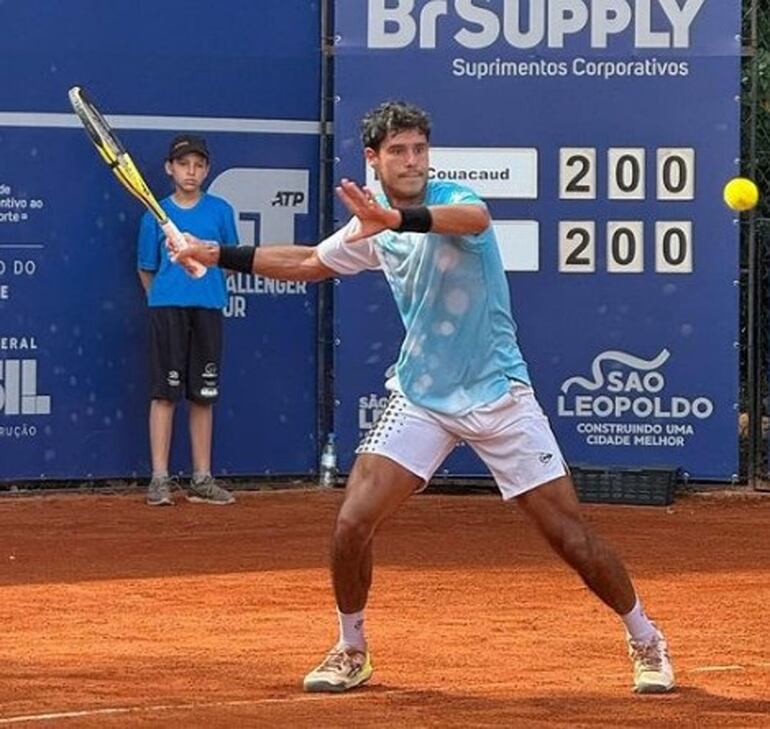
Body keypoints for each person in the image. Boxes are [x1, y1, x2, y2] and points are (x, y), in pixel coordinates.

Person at [171, 102, 675, 694]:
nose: (411, 161)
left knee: (571, 538)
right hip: (421, 397)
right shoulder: (372, 227)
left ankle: (645, 636)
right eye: (398, 151)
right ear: (373, 158)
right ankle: (350, 647)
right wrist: (216, 255)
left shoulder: (449, 199)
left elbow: (474, 219)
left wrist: (397, 220)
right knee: (352, 522)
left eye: (419, 150)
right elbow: (308, 261)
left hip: (499, 395)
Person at [137, 134, 237, 507]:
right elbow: (146, 269)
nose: (191, 171)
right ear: (170, 168)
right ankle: (159, 479)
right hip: (167, 310)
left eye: (198, 165)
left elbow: (226, 261)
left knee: (203, 395)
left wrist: (202, 290)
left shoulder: (221, 211)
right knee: (165, 393)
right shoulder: (154, 214)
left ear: (207, 170)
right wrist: (165, 297)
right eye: (183, 164)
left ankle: (201, 478)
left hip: (208, 309)